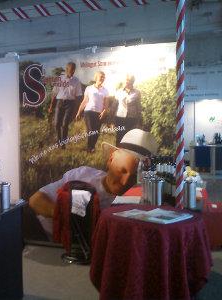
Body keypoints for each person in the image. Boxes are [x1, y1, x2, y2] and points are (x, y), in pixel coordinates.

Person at [29, 129, 158, 236]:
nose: (125, 182)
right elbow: (36, 200)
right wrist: (71, 218)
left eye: (133, 177)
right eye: (122, 170)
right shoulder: (83, 175)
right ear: (111, 159)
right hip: (42, 239)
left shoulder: (137, 203)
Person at [48, 62, 83, 147]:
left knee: (65, 124)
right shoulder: (59, 79)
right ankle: (58, 141)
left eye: (74, 70)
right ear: (67, 69)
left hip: (70, 104)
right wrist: (51, 106)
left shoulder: (76, 81)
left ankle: (63, 143)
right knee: (56, 123)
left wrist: (77, 110)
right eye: (71, 70)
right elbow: (54, 94)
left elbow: (79, 96)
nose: (73, 72)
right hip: (59, 102)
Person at [76, 71, 109, 152]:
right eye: (101, 76)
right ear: (96, 77)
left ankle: (91, 147)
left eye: (103, 77)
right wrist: (79, 112)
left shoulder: (105, 91)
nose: (102, 78)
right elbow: (84, 101)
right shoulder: (89, 88)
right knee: (91, 131)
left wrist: (104, 112)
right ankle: (90, 148)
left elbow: (106, 104)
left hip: (99, 113)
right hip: (89, 112)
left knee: (96, 132)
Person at [114, 74, 142, 146]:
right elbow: (115, 105)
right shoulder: (119, 91)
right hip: (120, 118)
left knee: (129, 136)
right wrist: (111, 119)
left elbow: (138, 106)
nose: (126, 82)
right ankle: (117, 152)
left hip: (131, 118)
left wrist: (139, 120)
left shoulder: (137, 92)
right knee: (119, 136)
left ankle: (126, 153)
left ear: (132, 82)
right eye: (125, 80)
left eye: (128, 80)